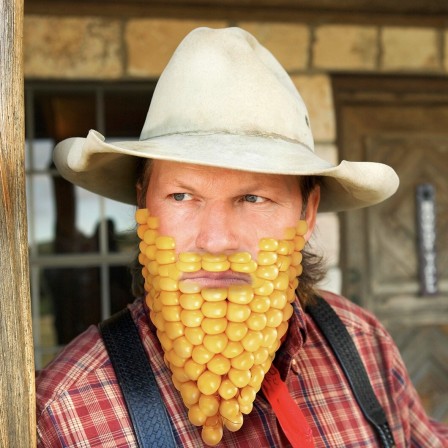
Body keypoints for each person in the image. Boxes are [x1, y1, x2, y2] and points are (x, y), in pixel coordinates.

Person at [36, 27, 448, 447]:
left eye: (253, 198)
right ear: (144, 206)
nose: (215, 241)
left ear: (307, 212)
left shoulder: (364, 344)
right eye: (182, 195)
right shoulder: (61, 413)